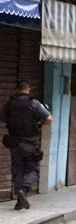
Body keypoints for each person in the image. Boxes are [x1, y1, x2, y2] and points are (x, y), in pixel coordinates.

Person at [0, 81, 52, 210]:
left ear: (16, 90)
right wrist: (39, 124)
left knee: (18, 171)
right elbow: (49, 118)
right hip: (29, 143)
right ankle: (23, 189)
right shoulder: (34, 103)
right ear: (28, 90)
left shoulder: (9, 104)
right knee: (33, 170)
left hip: (14, 144)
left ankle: (19, 200)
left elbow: (3, 118)